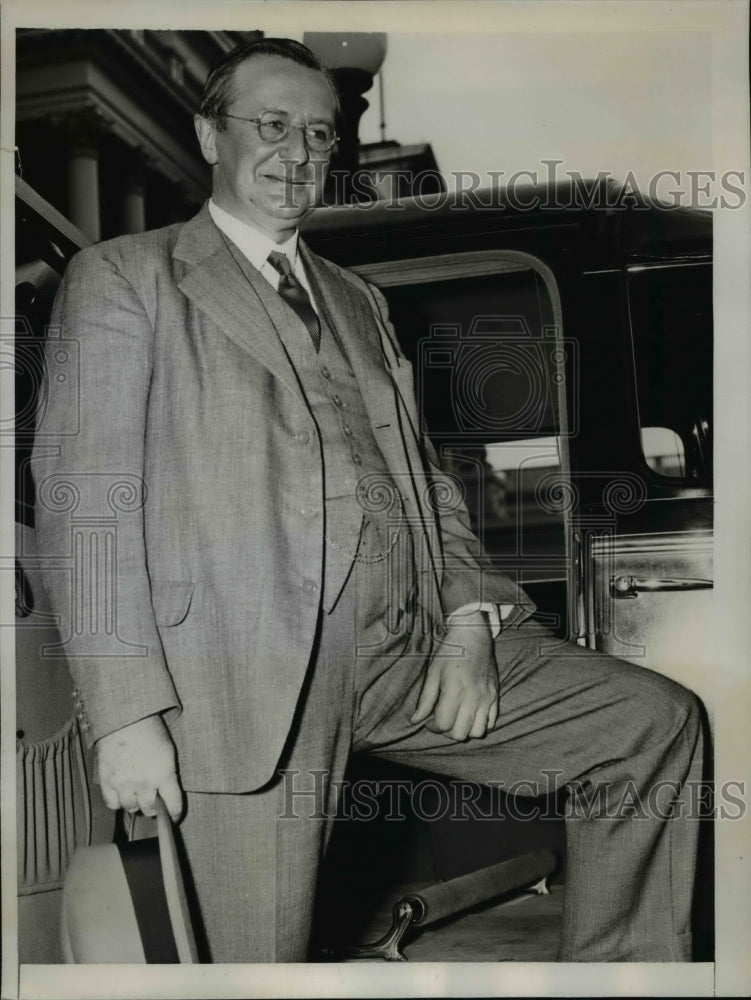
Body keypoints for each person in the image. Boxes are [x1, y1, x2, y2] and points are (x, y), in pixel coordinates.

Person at [33, 37, 703, 963]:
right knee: (249, 963)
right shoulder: (126, 277)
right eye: (270, 125)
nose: (298, 152)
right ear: (206, 134)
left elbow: (427, 478)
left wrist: (467, 623)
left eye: (319, 133)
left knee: (647, 726)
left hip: (405, 649)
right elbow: (85, 504)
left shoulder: (358, 301)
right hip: (235, 681)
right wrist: (126, 716)